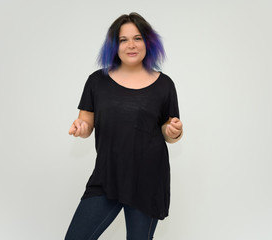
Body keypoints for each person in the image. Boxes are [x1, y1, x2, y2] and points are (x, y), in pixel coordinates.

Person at [65, 12, 183, 240]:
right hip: (107, 177)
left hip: (148, 180)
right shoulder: (97, 81)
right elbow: (87, 123)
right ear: (114, 45)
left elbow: (169, 130)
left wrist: (173, 131)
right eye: (123, 39)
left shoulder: (164, 84)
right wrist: (81, 127)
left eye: (138, 38)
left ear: (148, 42)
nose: (131, 45)